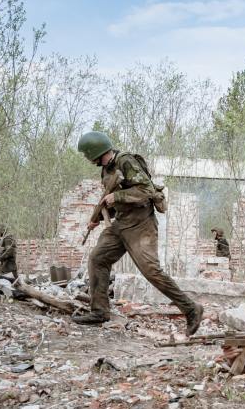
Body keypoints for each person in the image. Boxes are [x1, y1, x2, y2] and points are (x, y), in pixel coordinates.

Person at [73, 131, 204, 335]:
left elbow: (147, 190)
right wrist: (96, 218)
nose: (86, 158)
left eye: (86, 154)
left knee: (151, 271)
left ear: (94, 151)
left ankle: (191, 308)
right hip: (120, 225)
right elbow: (109, 198)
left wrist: (117, 196)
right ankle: (99, 311)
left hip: (140, 225)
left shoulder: (126, 161)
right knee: (97, 258)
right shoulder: (106, 169)